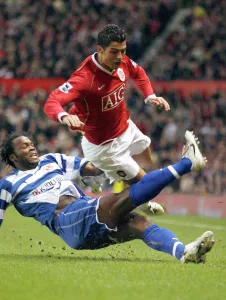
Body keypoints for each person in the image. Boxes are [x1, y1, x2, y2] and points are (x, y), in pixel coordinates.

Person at [0, 130, 214, 264]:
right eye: (25, 146)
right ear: (14, 158)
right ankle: (186, 164)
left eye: (31, 143)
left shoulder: (52, 160)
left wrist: (109, 155)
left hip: (84, 222)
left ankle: (184, 252)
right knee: (120, 201)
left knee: (139, 223)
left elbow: (92, 168)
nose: (32, 147)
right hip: (67, 221)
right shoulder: (8, 185)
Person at [44, 24, 170, 213]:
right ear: (100, 49)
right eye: (114, 52)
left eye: (123, 51)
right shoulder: (85, 78)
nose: (120, 57)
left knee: (147, 157)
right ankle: (141, 202)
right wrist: (63, 116)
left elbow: (139, 73)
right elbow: (52, 101)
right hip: (104, 146)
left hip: (125, 127)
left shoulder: (122, 62)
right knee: (144, 183)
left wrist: (150, 96)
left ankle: (95, 174)